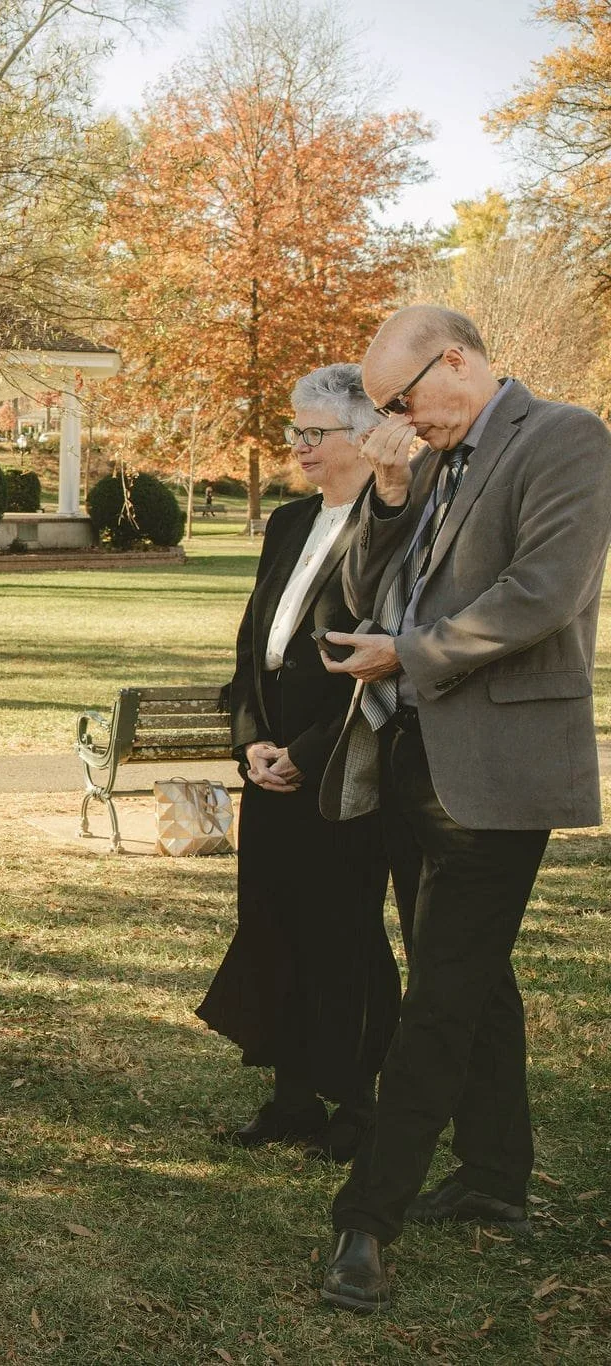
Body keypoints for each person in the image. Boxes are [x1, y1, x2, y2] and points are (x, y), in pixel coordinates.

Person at [312, 306, 611, 1313]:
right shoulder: (422, 457)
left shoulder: (563, 437)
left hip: (498, 763)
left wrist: (411, 653)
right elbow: (364, 591)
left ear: (456, 363)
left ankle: (365, 1221)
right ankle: (492, 1173)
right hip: (406, 754)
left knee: (437, 993)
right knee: (472, 980)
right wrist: (387, 493)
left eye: (399, 403)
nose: (394, 422)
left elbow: (544, 591)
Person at [197, 364, 411, 1164]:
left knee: (346, 932)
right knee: (273, 923)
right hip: (269, 763)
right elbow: (257, 644)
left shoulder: (391, 526)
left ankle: (357, 1104)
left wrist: (306, 753)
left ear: (363, 435)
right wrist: (250, 737)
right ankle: (291, 1097)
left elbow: (381, 657)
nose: (300, 446)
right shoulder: (289, 522)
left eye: (315, 433)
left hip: (343, 766)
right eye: (295, 431)